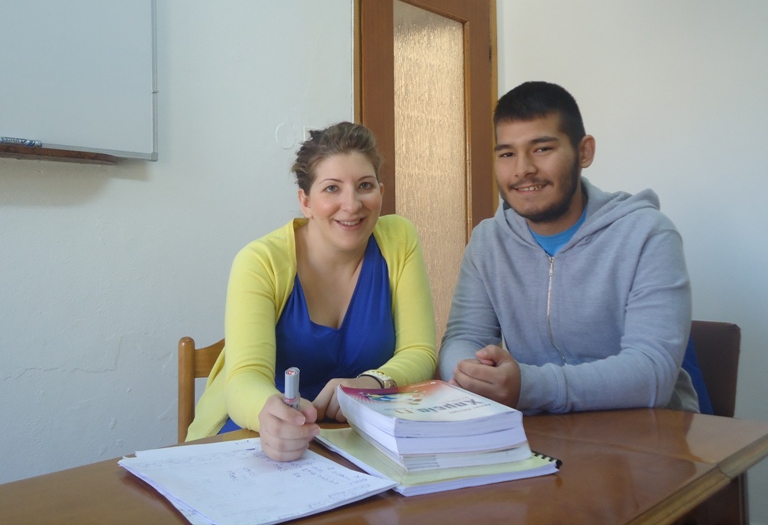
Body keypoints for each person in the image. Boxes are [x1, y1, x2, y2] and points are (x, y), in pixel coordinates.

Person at [438, 81, 700, 414]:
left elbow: (652, 373)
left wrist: (527, 386)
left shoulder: (647, 234)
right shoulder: (488, 241)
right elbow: (464, 336)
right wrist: (471, 375)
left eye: (542, 149)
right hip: (538, 429)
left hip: (646, 431)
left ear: (584, 152)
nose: (522, 169)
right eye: (507, 154)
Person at [186, 121, 437, 459]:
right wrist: (270, 415)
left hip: (359, 438)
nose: (352, 204)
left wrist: (373, 383)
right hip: (260, 434)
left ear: (381, 190)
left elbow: (420, 351)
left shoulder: (399, 239)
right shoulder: (259, 261)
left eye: (364, 185)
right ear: (305, 201)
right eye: (332, 188)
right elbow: (245, 377)